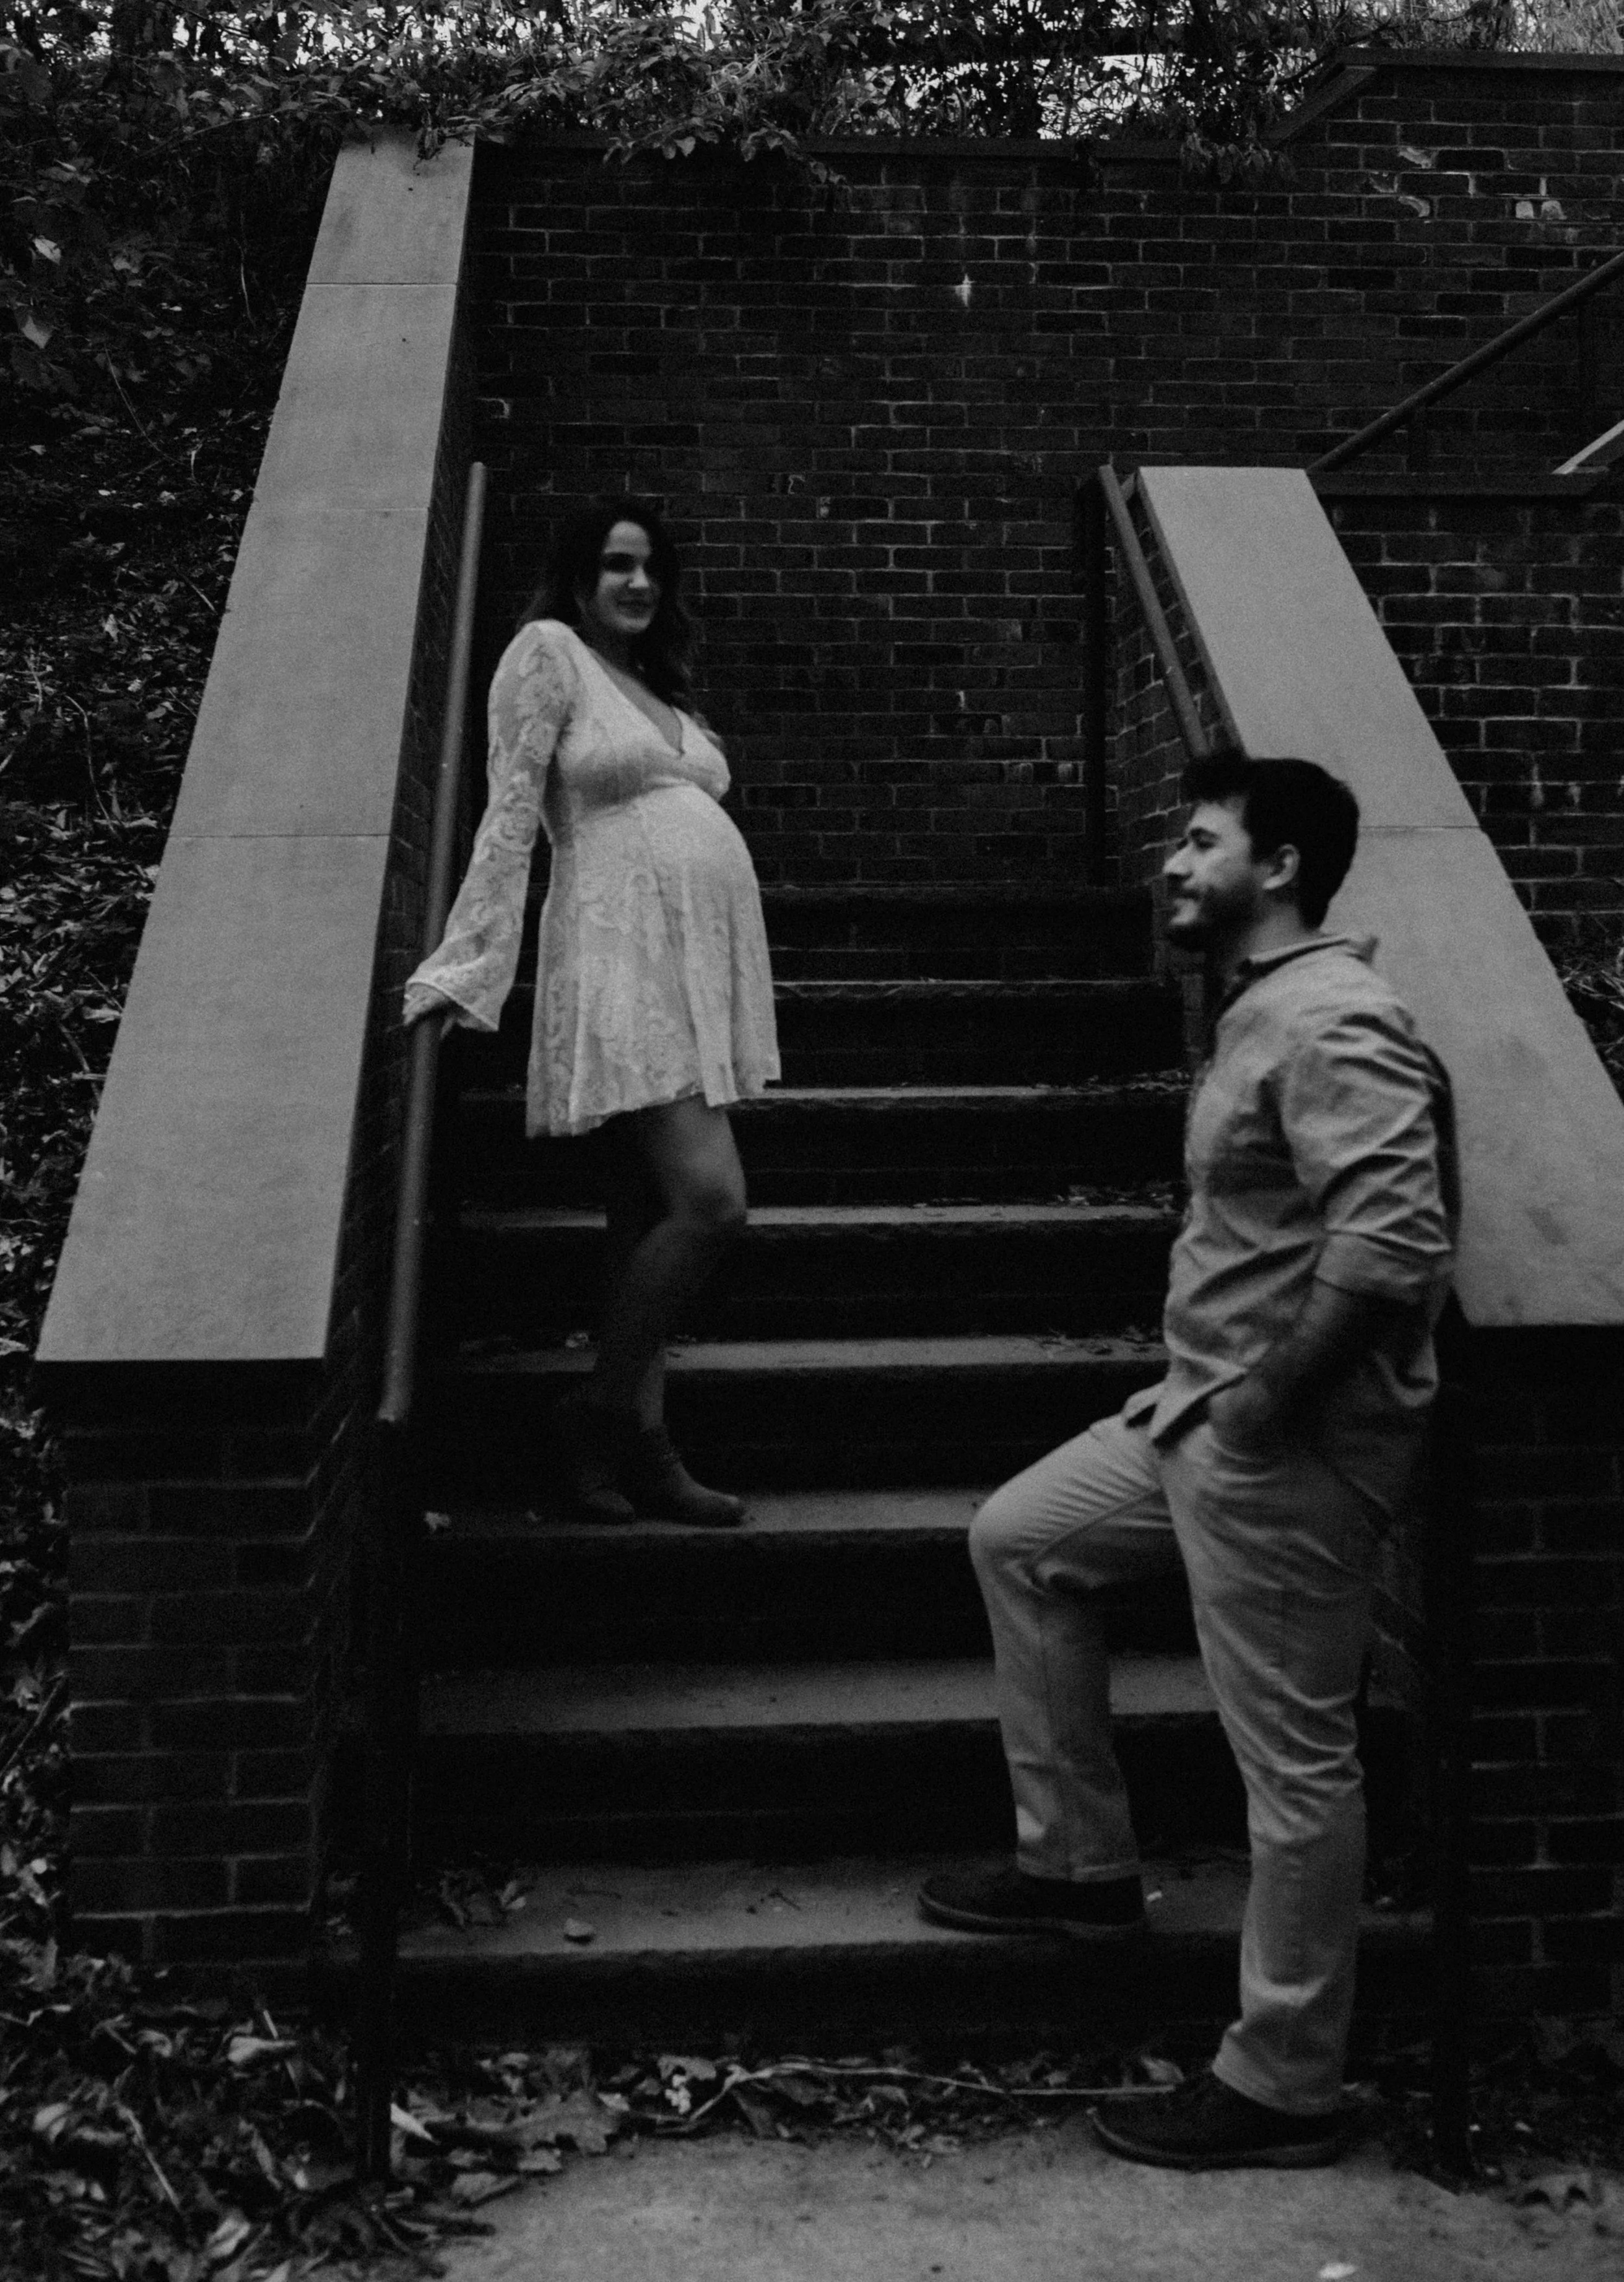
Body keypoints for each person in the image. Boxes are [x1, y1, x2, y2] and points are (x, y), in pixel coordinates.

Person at [919, 752, 1456, 2170]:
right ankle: (1078, 1865)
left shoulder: (1334, 1019)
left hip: (1276, 1440)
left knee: (1293, 1766)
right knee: (1022, 1538)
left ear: (1274, 868)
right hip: (1193, 1414)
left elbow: (1390, 1247)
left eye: (1199, 839)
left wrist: (1270, 1404)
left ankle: (1283, 2081)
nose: (1169, 859)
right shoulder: (1260, 1009)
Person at [404, 500, 780, 1527]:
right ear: (578, 578)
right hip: (619, 956)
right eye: (618, 565)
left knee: (644, 1215)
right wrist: (468, 962)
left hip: (698, 967)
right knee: (713, 1203)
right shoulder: (547, 652)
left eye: (653, 566)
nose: (639, 583)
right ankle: (596, 1408)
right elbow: (509, 809)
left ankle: (641, 1450)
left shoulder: (658, 687)